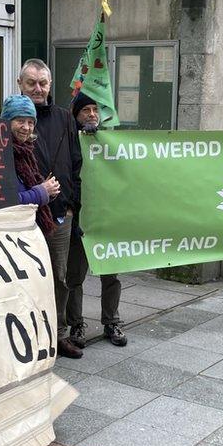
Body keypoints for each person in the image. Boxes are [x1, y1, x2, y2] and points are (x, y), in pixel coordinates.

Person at [18, 58, 83, 358]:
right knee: (24, 277)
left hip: (59, 215)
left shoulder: (64, 118)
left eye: (43, 83)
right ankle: (27, 335)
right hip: (22, 217)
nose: (37, 89)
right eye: (31, 83)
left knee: (58, 277)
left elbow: (75, 162)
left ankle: (58, 333)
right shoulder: (7, 120)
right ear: (20, 84)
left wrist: (72, 205)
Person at [65, 92, 127, 347]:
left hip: (106, 217)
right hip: (80, 218)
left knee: (110, 274)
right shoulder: (69, 142)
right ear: (76, 116)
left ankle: (111, 322)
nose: (91, 114)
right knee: (75, 276)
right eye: (85, 110)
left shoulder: (110, 142)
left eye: (95, 110)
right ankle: (76, 324)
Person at [0, 95, 61, 246]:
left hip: (26, 233)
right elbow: (4, 201)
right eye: (20, 121)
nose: (26, 127)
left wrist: (48, 191)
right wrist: (41, 192)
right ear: (6, 122)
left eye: (31, 122)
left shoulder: (25, 152)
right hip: (6, 236)